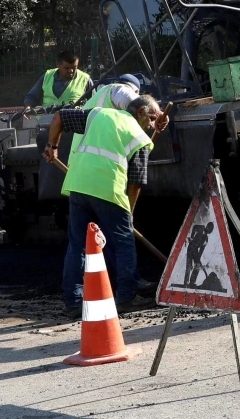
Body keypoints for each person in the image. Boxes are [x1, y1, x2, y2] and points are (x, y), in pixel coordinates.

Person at [45, 95, 170, 317]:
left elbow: (59, 117)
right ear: (140, 111)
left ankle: (73, 302)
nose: (151, 125)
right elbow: (135, 184)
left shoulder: (99, 114)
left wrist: (52, 146)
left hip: (78, 184)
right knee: (123, 242)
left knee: (78, 245)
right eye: (150, 118)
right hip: (108, 188)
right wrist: (128, 216)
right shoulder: (139, 138)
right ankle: (127, 297)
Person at [26, 49, 91, 109]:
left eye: (74, 67)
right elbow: (32, 96)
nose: (71, 71)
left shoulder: (85, 79)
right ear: (58, 65)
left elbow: (95, 100)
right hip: (47, 119)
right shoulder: (47, 76)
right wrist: (28, 107)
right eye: (67, 68)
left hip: (72, 119)